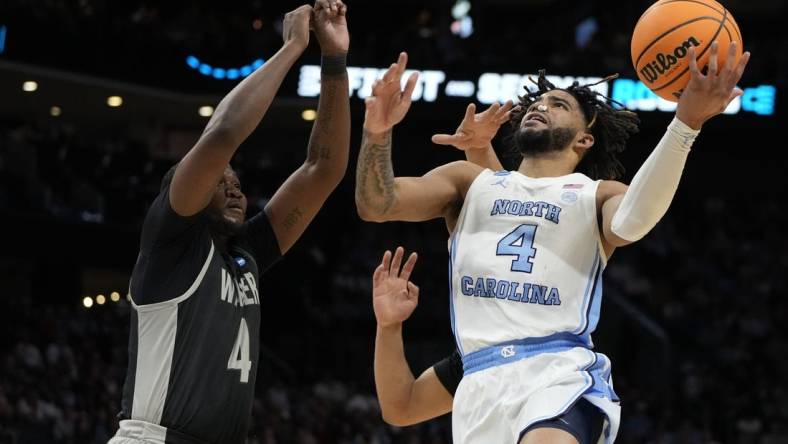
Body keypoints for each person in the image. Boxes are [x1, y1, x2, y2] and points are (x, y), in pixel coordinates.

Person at [357, 43, 750, 444]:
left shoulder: (594, 195)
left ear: (584, 140)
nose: (539, 106)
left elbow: (633, 221)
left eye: (558, 104)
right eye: (537, 101)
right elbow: (377, 203)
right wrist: (377, 131)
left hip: (559, 374)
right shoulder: (470, 182)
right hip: (480, 382)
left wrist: (685, 124)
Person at [109, 2, 350, 443]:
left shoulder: (246, 253)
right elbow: (222, 133)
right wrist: (292, 48)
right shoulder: (172, 240)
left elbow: (323, 169)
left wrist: (333, 61)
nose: (235, 189)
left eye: (237, 181)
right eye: (222, 181)